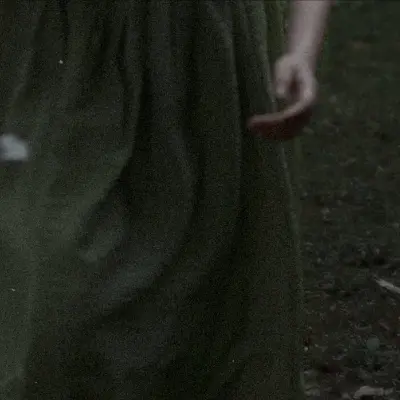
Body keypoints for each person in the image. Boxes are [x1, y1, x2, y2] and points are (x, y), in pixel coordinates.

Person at [0, 0, 331, 399]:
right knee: (49, 286)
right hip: (64, 53)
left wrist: (301, 52)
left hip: (199, 63)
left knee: (194, 300)